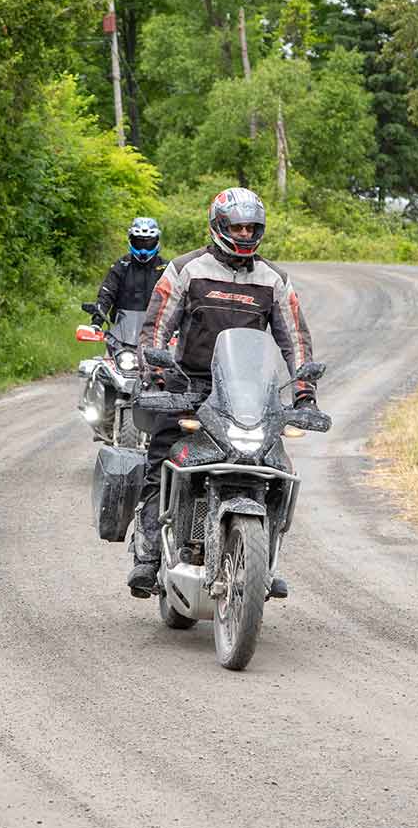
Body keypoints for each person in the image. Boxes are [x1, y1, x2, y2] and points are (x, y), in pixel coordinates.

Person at [132, 187, 318, 601]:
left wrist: (304, 392)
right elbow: (155, 327)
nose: (245, 233)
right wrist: (156, 377)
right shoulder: (186, 270)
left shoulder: (274, 280)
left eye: (252, 226)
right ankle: (147, 552)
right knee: (160, 456)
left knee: (273, 467)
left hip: (248, 393)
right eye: (237, 226)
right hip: (189, 386)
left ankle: (261, 560)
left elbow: (296, 340)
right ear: (218, 226)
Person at [92, 216, 164, 323]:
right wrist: (97, 321)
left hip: (157, 332)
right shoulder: (121, 265)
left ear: (156, 241)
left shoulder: (166, 268)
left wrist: (177, 329)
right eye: (139, 242)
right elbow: (107, 293)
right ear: (131, 240)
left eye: (148, 242)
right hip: (120, 333)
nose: (143, 248)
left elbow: (177, 300)